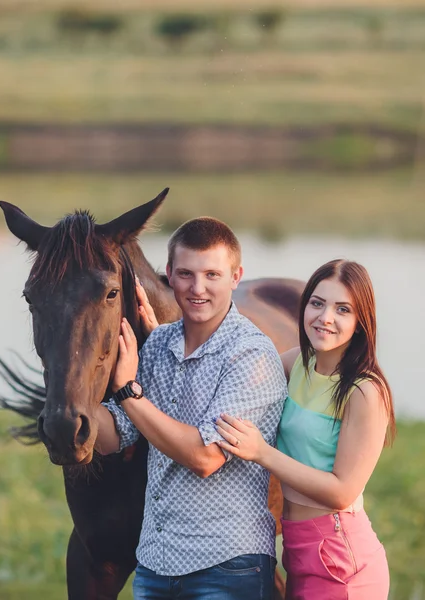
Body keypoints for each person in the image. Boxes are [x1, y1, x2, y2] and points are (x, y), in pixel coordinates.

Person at [93, 217, 288, 600]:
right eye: (185, 274)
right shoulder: (157, 345)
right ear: (168, 274)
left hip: (229, 568)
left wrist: (128, 392)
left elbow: (205, 457)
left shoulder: (251, 354)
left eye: (212, 275)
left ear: (236, 276)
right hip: (154, 567)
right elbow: (113, 436)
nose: (198, 289)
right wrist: (78, 387)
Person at [214, 259, 395, 600]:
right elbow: (232, 372)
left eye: (342, 309)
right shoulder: (295, 363)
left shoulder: (364, 391)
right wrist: (163, 333)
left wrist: (262, 453)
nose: (325, 317)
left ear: (360, 323)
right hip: (297, 548)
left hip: (341, 561)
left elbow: (342, 491)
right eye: (317, 303)